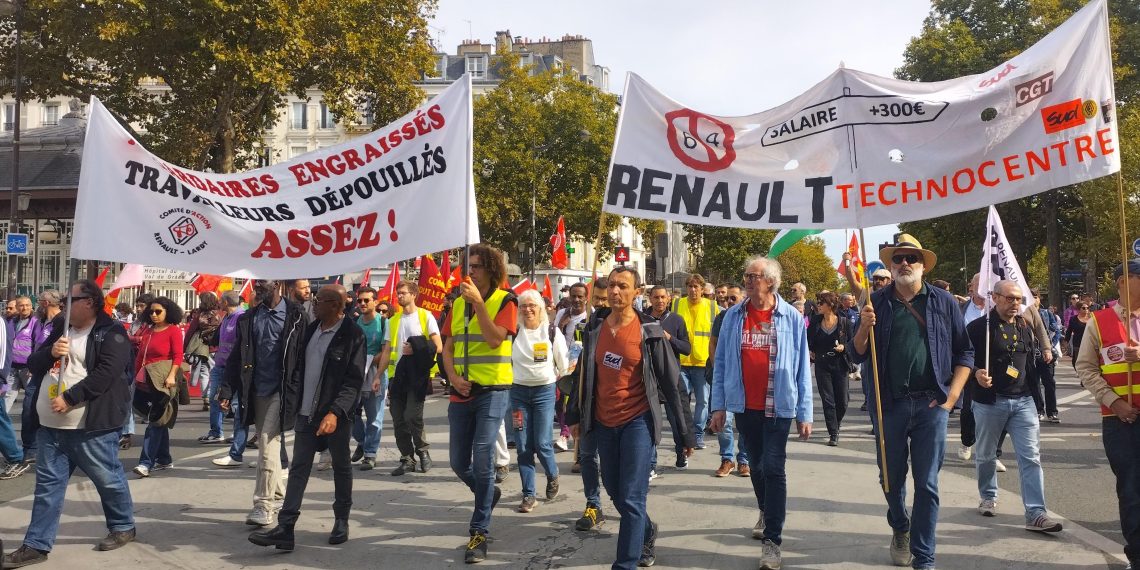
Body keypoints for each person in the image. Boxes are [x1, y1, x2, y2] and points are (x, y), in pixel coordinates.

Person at [849, 234, 972, 569]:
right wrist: (863, 327)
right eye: (898, 259)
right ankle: (900, 524)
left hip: (933, 405)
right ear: (890, 265)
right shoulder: (875, 302)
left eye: (911, 259)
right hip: (889, 404)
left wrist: (952, 396)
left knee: (928, 483)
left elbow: (965, 352)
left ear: (922, 265)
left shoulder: (944, 301)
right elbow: (856, 351)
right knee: (890, 477)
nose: (904, 264)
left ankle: (924, 557)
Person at [567, 266, 695, 569]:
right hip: (602, 422)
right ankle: (647, 530)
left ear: (636, 293)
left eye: (623, 286)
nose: (615, 291)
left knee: (633, 498)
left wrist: (684, 435)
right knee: (615, 491)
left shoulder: (649, 333)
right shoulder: (595, 329)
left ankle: (625, 562)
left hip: (637, 422)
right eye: (611, 285)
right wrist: (574, 415)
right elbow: (582, 377)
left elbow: (673, 385)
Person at [2, 280, 136, 568]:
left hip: (90, 427)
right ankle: (36, 545)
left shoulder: (112, 333)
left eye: (70, 299)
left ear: (89, 302)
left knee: (108, 479)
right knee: (47, 487)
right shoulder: (62, 327)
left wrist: (72, 398)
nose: (64, 305)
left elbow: (107, 374)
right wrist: (50, 353)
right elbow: (34, 363)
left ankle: (123, 525)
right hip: (51, 426)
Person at [710, 256, 812, 570]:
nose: (748, 281)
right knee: (755, 465)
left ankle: (773, 541)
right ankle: (766, 511)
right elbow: (722, 363)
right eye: (746, 276)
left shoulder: (791, 317)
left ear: (770, 281)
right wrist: (718, 406)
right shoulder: (732, 316)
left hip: (779, 406)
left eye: (754, 276)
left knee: (774, 467)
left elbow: (801, 368)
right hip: (745, 406)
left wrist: (804, 412)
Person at [248, 285, 365, 550]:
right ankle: (286, 528)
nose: (314, 304)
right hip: (305, 415)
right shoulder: (311, 331)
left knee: (341, 467)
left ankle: (341, 520)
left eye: (319, 301)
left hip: (335, 416)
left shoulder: (352, 335)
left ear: (335, 305)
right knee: (299, 469)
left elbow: (353, 381)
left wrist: (335, 412)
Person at [441, 244, 518, 564]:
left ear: (491, 270)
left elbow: (494, 339)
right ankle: (489, 494)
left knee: (484, 455)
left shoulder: (506, 301)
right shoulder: (458, 304)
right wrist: (452, 378)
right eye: (467, 266)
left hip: (493, 391)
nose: (469, 271)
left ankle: (479, 531)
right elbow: (447, 347)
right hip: (461, 393)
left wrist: (479, 306)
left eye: (476, 266)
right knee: (459, 462)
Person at [966, 280, 1062, 533]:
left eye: (1018, 299)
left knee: (1030, 457)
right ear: (995, 298)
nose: (1015, 304)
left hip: (1023, 401)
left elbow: (1030, 362)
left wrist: (1038, 395)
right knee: (986, 454)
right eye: (1009, 298)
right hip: (990, 401)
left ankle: (1036, 513)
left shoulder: (1024, 325)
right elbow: (963, 359)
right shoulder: (979, 328)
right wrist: (976, 373)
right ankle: (988, 495)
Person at [219, 279, 309, 528]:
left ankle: (263, 504)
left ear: (277, 284)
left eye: (264, 281)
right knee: (268, 442)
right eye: (257, 281)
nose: (258, 285)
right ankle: (279, 494)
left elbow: (304, 355)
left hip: (283, 390)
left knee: (267, 445)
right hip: (256, 390)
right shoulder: (249, 318)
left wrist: (303, 390)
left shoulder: (296, 316)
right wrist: (227, 389)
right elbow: (238, 356)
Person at [1074, 259, 1140, 568]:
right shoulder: (1098, 322)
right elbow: (1086, 369)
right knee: (1131, 491)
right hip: (1120, 421)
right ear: (1123, 282)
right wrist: (1114, 402)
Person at [510, 289, 571, 512]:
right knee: (523, 445)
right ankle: (528, 495)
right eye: (524, 305)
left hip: (544, 393)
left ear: (541, 308)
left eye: (532, 305)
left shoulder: (552, 332)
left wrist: (566, 389)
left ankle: (552, 474)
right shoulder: (514, 332)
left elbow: (563, 366)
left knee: (543, 443)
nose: (528, 309)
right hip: (518, 395)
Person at [380, 280, 441, 476]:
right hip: (397, 377)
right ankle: (407, 458)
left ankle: (423, 452)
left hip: (417, 376)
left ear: (414, 294)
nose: (399, 296)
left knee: (412, 416)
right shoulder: (393, 321)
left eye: (403, 293)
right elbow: (387, 349)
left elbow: (438, 345)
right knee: (398, 419)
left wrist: (415, 347)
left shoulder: (425, 316)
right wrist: (378, 376)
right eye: (398, 293)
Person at [132, 297, 184, 477]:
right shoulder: (148, 330)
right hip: (146, 381)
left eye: (158, 311)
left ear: (168, 312)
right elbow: (140, 356)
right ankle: (164, 458)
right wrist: (135, 376)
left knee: (155, 420)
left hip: (163, 381)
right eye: (151, 311)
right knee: (159, 420)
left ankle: (146, 463)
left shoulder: (174, 331)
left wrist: (171, 376)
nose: (154, 315)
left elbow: (178, 356)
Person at [644, 284, 693, 477]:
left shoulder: (676, 320)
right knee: (651, 422)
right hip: (650, 377)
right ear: (650, 298)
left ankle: (681, 452)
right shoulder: (643, 319)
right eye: (656, 297)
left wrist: (669, 337)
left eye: (663, 297)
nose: (660, 301)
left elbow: (686, 348)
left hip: (672, 377)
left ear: (669, 299)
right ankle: (650, 464)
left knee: (676, 418)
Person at [671, 274, 719, 449]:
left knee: (703, 400)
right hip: (681, 359)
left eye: (696, 287)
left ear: (702, 288)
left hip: (702, 361)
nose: (692, 290)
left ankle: (698, 435)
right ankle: (685, 434)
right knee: (680, 401)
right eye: (690, 286)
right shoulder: (677, 304)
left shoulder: (713, 307)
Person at [708, 284, 750, 477]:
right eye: (726, 299)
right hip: (726, 380)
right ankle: (727, 459)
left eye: (733, 298)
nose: (728, 302)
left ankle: (744, 460)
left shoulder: (752, 318)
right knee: (724, 421)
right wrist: (718, 368)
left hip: (746, 380)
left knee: (744, 424)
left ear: (743, 298)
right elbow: (714, 342)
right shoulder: (722, 317)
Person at [807, 291, 854, 446]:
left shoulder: (844, 322)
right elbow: (809, 339)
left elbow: (853, 343)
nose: (818, 305)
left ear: (831, 305)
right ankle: (833, 432)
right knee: (828, 400)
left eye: (821, 302)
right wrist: (811, 350)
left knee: (843, 401)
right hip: (822, 363)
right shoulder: (815, 320)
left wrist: (844, 346)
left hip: (840, 364)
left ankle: (836, 423)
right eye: (818, 302)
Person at [350, 285, 388, 471]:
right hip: (356, 374)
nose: (363, 304)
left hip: (375, 373)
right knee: (350, 414)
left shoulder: (383, 322)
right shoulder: (356, 323)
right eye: (360, 301)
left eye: (366, 300)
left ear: (375, 301)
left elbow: (386, 351)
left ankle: (370, 454)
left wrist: (377, 372)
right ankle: (362, 441)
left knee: (374, 418)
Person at [205, 292, 245, 456]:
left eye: (220, 300)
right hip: (219, 365)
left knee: (235, 405)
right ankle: (216, 432)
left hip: (234, 369)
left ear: (227, 302)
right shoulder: (226, 317)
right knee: (214, 397)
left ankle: (237, 439)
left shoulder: (241, 317)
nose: (218, 303)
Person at [1064, 302, 1091, 369]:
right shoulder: (1073, 319)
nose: (1086, 309)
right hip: (1078, 343)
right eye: (1084, 308)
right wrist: (1066, 341)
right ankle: (1080, 372)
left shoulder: (1092, 319)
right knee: (1077, 360)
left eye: (1087, 308)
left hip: (1090, 343)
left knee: (1089, 361)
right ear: (1079, 309)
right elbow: (1069, 331)